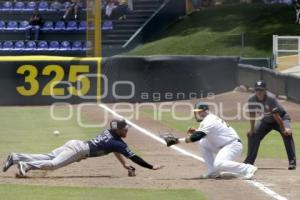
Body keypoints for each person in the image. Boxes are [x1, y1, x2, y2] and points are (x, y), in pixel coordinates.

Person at [2, 119, 163, 177]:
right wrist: (151, 166)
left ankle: (15, 157)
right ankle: (26, 165)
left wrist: (123, 165)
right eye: (124, 129)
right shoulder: (118, 143)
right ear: (118, 130)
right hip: (78, 150)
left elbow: (115, 150)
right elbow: (133, 157)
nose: (126, 130)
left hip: (75, 144)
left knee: (49, 157)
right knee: (53, 165)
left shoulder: (110, 134)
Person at [164, 102, 258, 179]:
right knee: (203, 143)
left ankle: (248, 168)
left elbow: (195, 138)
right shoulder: (208, 119)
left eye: (198, 112)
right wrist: (197, 131)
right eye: (196, 112)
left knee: (219, 163)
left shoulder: (209, 121)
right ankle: (213, 172)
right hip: (224, 145)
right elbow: (204, 134)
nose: (196, 114)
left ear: (204, 111)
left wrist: (177, 141)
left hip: (232, 146)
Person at [244, 80, 296, 170]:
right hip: (266, 120)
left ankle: (292, 162)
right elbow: (252, 115)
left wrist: (284, 129)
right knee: (253, 135)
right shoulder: (251, 99)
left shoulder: (271, 98)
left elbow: (276, 116)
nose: (259, 92)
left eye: (261, 90)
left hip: (281, 118)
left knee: (287, 134)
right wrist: (252, 129)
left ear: (265, 90)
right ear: (254, 90)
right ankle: (249, 161)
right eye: (257, 90)